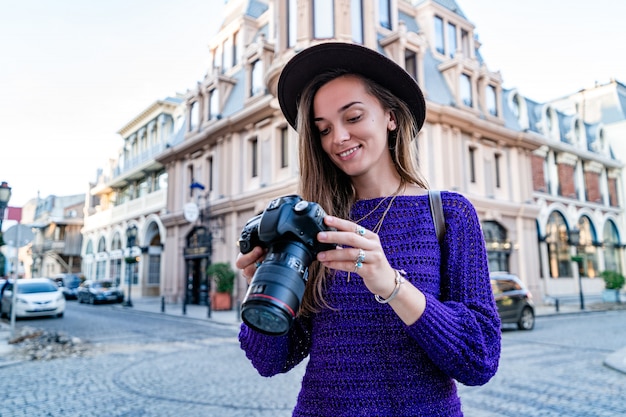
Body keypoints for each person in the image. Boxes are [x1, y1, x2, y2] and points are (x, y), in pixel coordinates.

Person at [236, 42, 501, 416]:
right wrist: (263, 289)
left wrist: (392, 285)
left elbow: (479, 359)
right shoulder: (312, 223)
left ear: (391, 116)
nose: (338, 137)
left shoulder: (450, 214)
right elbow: (270, 362)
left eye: (354, 117)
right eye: (323, 128)